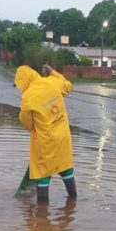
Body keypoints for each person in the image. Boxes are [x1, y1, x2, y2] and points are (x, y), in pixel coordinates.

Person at [15, 64, 77, 204]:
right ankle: (73, 200)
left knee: (43, 173)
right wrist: (53, 72)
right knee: (65, 168)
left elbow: (28, 124)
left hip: (45, 141)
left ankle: (42, 216)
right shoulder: (52, 82)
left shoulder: (27, 97)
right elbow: (68, 85)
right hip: (63, 138)